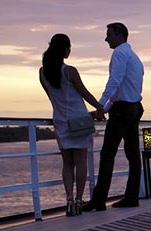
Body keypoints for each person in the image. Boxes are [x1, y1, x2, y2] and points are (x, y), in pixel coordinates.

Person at [39, 34, 105, 216]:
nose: (70, 50)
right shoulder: (70, 71)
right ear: (64, 49)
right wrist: (99, 108)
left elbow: (54, 98)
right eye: (69, 47)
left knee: (67, 163)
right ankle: (78, 201)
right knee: (81, 161)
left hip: (60, 120)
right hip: (79, 121)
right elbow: (85, 94)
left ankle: (68, 200)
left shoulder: (42, 73)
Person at [82, 22, 145, 211]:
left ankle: (98, 200)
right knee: (133, 154)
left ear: (119, 34)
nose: (106, 38)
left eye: (108, 34)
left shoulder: (119, 53)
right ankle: (131, 197)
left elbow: (115, 81)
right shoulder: (134, 57)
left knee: (108, 153)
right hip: (134, 107)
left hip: (123, 110)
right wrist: (106, 108)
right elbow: (123, 87)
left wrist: (100, 105)